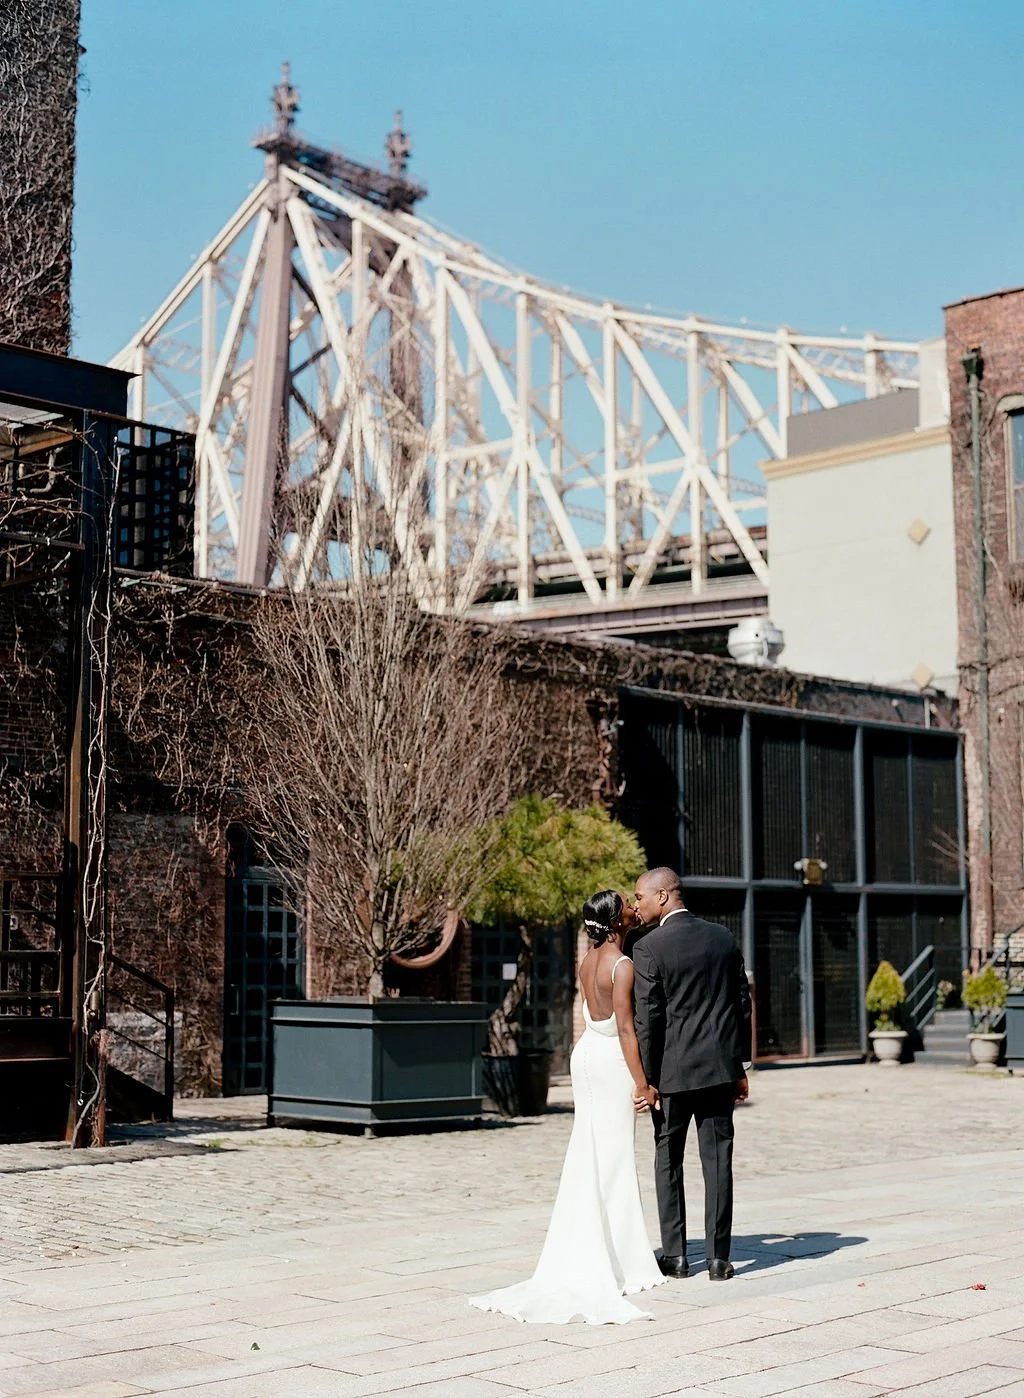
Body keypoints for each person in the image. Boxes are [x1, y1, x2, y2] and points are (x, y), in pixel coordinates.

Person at [469, 889, 667, 1324]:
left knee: (589, 1151)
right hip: (612, 1060)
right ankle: (621, 1261)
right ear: (616, 921)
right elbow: (626, 1031)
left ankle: (602, 1247)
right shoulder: (623, 965)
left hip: (585, 1057)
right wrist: (643, 1084)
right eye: (627, 905)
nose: (635, 908)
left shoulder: (587, 962)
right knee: (613, 1157)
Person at [632, 867, 752, 1282]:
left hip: (671, 1077)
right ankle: (719, 1260)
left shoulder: (648, 947)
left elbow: (649, 1019)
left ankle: (676, 1257)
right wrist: (741, 1066)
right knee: (718, 1162)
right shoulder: (723, 937)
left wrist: (646, 1080)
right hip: (720, 1071)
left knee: (669, 1161)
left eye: (641, 897)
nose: (637, 905)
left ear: (663, 896)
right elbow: (742, 1002)